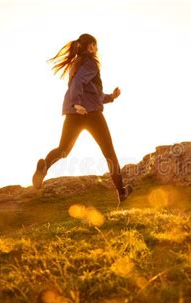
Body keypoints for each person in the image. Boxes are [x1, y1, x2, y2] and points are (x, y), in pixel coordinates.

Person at [32, 33, 133, 204]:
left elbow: (92, 92)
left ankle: (44, 166)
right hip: (89, 114)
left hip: (74, 113)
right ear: (90, 46)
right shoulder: (90, 63)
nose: (97, 49)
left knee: (63, 150)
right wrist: (77, 104)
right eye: (95, 45)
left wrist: (111, 97)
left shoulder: (76, 64)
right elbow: (78, 84)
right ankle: (121, 192)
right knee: (109, 152)